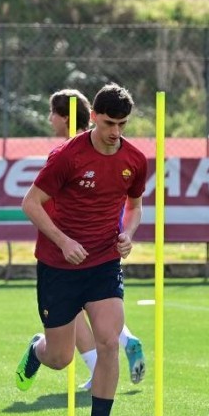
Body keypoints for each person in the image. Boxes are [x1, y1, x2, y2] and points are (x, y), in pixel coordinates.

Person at [14, 84, 147, 416]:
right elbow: (31, 203)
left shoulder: (134, 160)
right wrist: (63, 241)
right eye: (108, 123)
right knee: (61, 358)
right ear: (93, 117)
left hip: (104, 261)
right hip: (59, 265)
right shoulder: (67, 156)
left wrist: (128, 233)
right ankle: (35, 351)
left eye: (122, 124)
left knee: (108, 342)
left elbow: (135, 206)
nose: (115, 132)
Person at [47, 89, 146, 390]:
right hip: (101, 243)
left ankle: (95, 369)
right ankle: (125, 339)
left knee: (75, 310)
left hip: (82, 244)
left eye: (52, 113)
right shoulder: (83, 148)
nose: (49, 119)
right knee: (100, 307)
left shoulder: (69, 152)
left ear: (65, 117)